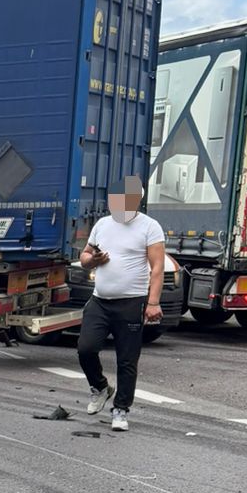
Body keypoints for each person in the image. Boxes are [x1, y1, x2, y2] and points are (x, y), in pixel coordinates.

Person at [76, 175, 165, 432]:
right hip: (100, 301)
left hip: (131, 302)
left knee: (127, 360)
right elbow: (84, 255)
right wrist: (94, 259)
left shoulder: (149, 226)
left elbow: (157, 267)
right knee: (85, 348)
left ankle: (121, 409)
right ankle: (101, 387)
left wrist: (153, 302)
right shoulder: (102, 224)